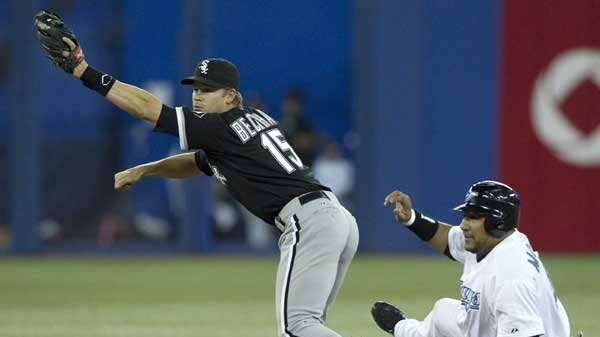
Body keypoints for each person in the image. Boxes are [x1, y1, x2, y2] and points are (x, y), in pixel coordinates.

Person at [35, 10, 359, 337]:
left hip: (310, 221)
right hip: (336, 218)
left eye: (207, 89)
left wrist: (84, 71)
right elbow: (196, 162)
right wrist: (145, 169)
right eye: (195, 88)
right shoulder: (251, 121)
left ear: (230, 96)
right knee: (309, 327)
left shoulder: (219, 125)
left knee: (297, 329)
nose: (197, 95)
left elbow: (150, 110)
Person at [373, 180, 576, 337]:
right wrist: (411, 218)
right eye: (466, 216)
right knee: (443, 311)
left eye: (473, 217)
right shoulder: (492, 240)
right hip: (496, 328)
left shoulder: (510, 275)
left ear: (498, 222)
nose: (464, 225)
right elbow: (447, 240)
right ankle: (402, 328)